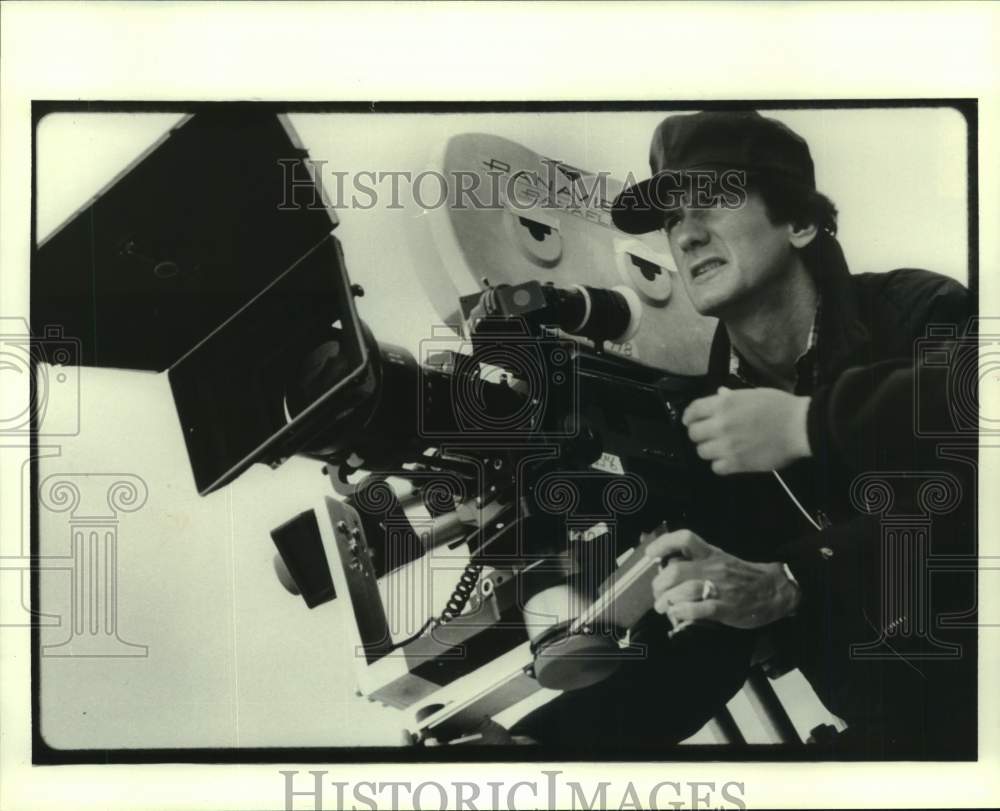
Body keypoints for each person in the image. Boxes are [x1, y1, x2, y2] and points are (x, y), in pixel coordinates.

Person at [513, 110, 975, 757]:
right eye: (673, 217)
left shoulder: (918, 313)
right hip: (906, 748)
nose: (688, 233)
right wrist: (530, 746)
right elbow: (700, 649)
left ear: (802, 221)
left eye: (714, 200)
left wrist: (808, 428)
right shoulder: (707, 424)